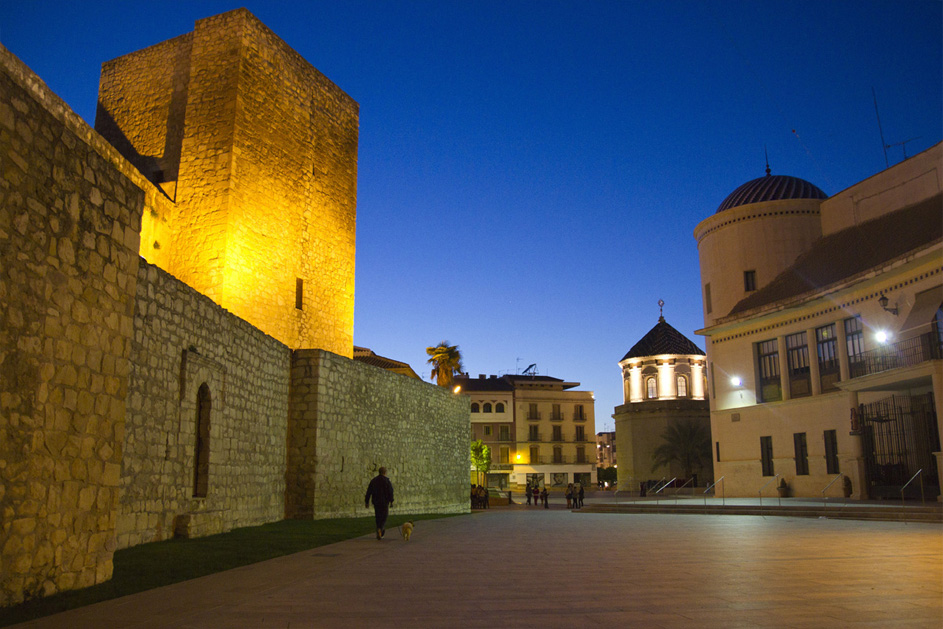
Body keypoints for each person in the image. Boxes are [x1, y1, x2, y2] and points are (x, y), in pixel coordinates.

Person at [365, 467, 394, 540]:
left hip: (376, 501)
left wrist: (367, 501)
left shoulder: (374, 481)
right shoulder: (387, 481)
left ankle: (379, 528)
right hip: (384, 502)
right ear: (385, 472)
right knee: (384, 516)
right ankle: (381, 529)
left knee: (378, 516)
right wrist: (391, 501)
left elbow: (369, 492)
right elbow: (390, 491)